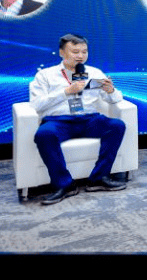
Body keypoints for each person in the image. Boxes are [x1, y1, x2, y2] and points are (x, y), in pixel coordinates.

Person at [28, 34, 127, 205]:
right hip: (58, 121)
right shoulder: (45, 75)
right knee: (44, 134)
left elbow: (115, 99)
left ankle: (98, 178)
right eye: (75, 52)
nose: (80, 56)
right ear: (61, 52)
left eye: (84, 52)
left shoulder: (94, 73)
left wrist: (111, 90)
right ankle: (65, 185)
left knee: (117, 126)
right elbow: (37, 104)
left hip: (89, 119)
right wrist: (66, 92)